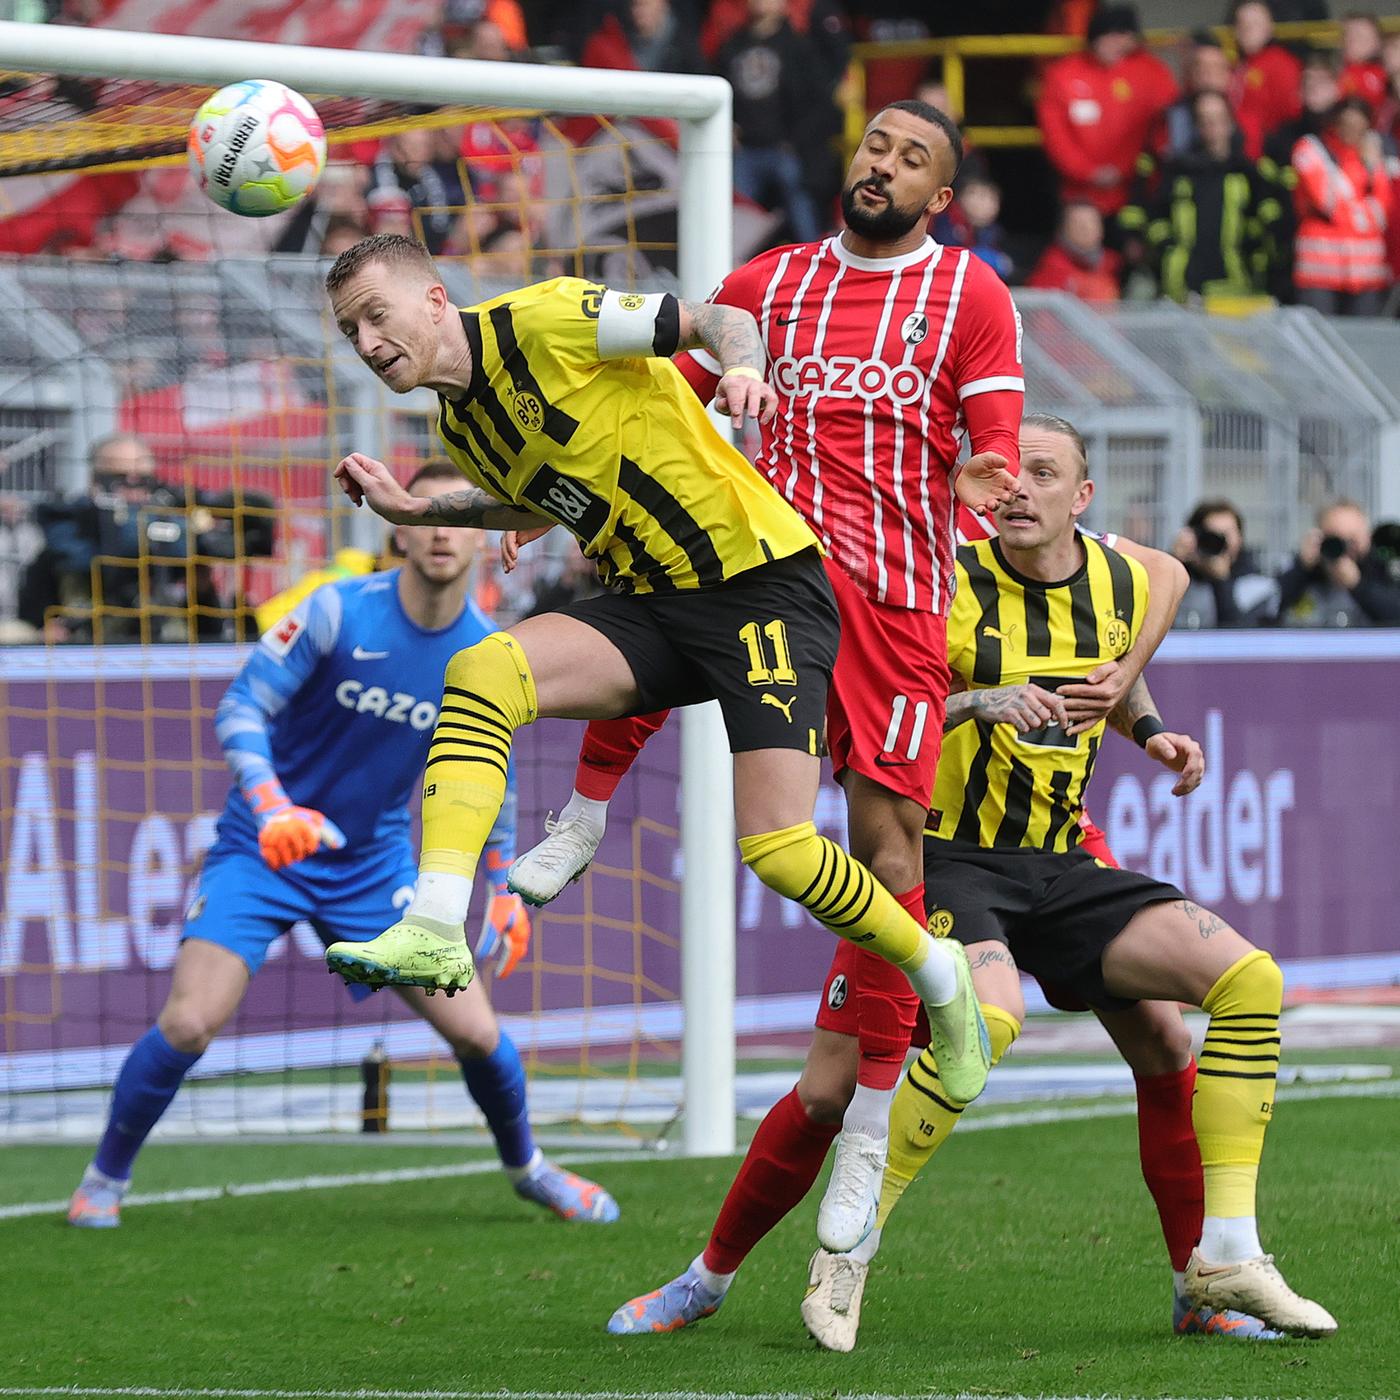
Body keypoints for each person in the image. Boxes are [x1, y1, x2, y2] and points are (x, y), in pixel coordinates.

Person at [503, 103, 1188, 1327]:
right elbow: (655, 411)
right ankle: (583, 813)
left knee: (884, 863)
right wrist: (559, 492)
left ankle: (868, 1143)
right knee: (655, 592)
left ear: (940, 197)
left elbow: (994, 433)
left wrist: (983, 472)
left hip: (893, 611)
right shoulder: (762, 282)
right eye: (873, 144)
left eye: (909, 158)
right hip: (767, 575)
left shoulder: (968, 294)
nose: (880, 163)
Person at [320, 233, 1001, 1118]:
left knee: (780, 848)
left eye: (378, 315)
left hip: (758, 584)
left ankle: (937, 973)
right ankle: (437, 925)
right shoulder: (459, 423)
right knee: (483, 671)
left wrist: (746, 369)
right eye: (351, 332)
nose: (369, 343)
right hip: (651, 601)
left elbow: (720, 318)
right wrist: (418, 505)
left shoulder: (544, 317)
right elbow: (530, 496)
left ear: (436, 299)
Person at [800, 414, 1337, 1346]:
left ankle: (1230, 1255)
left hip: (1063, 859)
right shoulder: (942, 578)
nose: (1017, 489)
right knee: (976, 1026)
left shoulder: (1120, 576)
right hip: (952, 856)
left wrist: (1148, 721)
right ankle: (845, 1257)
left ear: (1081, 500)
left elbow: (1147, 607)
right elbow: (878, 712)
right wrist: (977, 702)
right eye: (1006, 472)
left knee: (1249, 981)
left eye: (1042, 474)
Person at [66, 460, 618, 1229]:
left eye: (460, 517)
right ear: (400, 527)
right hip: (264, 850)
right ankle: (104, 1179)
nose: (442, 532)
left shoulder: (490, 651)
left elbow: (490, 775)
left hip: (369, 866)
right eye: (427, 514)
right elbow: (239, 710)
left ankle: (529, 1166)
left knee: (478, 1032)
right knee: (191, 1022)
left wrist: (503, 883)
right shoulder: (334, 611)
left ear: (485, 534)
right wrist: (270, 807)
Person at [1136, 91, 1288, 303]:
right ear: (1196, 126)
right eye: (1204, 120)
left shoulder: (1249, 174)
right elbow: (1156, 217)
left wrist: (1254, 260)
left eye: (1217, 119)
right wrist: (1169, 251)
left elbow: (1266, 229)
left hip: (1235, 286)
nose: (1211, 127)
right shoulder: (1179, 172)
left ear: (1230, 123)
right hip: (1182, 287)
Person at [1036, 4, 1178, 217]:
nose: (1118, 44)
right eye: (1112, 36)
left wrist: (1137, 170)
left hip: (1138, 189)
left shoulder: (1151, 72)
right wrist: (1089, 172)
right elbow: (1055, 134)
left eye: (1124, 38)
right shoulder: (1064, 74)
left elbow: (1169, 125)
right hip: (1079, 194)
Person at [715, 0, 832, 246]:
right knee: (733, 214)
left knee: (802, 208)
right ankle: (729, 265)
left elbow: (817, 101)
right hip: (745, 148)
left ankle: (814, 259)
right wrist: (727, 125)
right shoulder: (733, 44)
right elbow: (717, 89)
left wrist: (796, 142)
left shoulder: (799, 46)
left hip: (786, 148)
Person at [1291, 96, 1392, 315]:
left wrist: (1372, 168)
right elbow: (1327, 202)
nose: (1352, 132)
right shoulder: (1312, 150)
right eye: (1346, 124)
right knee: (1316, 342)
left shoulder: (1372, 159)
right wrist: (1361, 206)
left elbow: (1383, 214)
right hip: (1320, 271)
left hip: (1365, 274)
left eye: (1359, 127)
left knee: (1364, 342)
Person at [1277, 497, 1400, 625]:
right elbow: (1270, 607)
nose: (1345, 550)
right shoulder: (1306, 572)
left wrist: (1358, 585)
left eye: (1352, 539)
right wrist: (1301, 568)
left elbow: (1395, 614)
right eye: (1337, 540)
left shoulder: (1384, 570)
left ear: (1367, 538)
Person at [1171, 498, 1279, 627]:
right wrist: (1174, 561)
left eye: (1227, 534)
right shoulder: (1180, 578)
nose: (1221, 542)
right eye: (1213, 535)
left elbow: (1237, 635)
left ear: (1240, 538)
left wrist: (1221, 580)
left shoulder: (1258, 586)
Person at [1228, 0, 1303, 160]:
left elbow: (1289, 112)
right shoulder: (1239, 66)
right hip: (1240, 153)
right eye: (1242, 24)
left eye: (1254, 24)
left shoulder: (1281, 63)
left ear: (1269, 27)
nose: (1247, 30)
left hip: (1266, 154)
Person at [1025, 199, 1122, 301]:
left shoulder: (1113, 264)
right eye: (1078, 223)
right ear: (1064, 229)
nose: (1086, 228)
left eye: (1092, 222)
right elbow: (1039, 312)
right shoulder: (1052, 266)